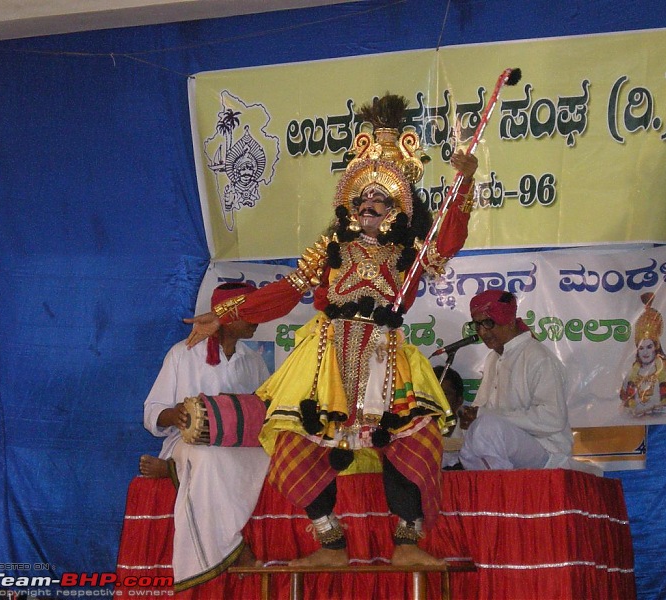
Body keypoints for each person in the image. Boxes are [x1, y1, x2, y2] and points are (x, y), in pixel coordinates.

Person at [184, 93, 478, 567]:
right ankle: (329, 542)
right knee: (291, 437)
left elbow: (449, 241)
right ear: (351, 203)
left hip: (385, 357)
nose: (369, 204)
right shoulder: (330, 249)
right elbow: (287, 289)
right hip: (327, 359)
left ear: (397, 209)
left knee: (412, 437)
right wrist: (225, 313)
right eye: (363, 197)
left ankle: (407, 542)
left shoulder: (410, 253)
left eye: (381, 199)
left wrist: (464, 181)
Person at [142, 282, 271, 592]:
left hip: (236, 446)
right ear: (230, 314)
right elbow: (151, 412)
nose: (257, 320)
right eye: (249, 313)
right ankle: (229, 548)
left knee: (268, 456)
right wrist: (175, 415)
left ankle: (174, 472)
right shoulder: (182, 354)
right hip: (186, 442)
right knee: (209, 457)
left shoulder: (252, 360)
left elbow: (265, 410)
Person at [459, 290, 600, 475]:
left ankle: (506, 494)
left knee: (486, 429)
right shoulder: (493, 359)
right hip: (510, 445)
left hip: (546, 451)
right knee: (466, 447)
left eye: (488, 323)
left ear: (509, 321)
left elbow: (552, 418)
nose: (482, 332)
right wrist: (469, 417)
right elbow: (481, 407)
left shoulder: (538, 357)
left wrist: (484, 415)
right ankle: (492, 498)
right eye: (477, 325)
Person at [620, 292, 666, 417]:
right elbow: (622, 408)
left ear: (656, 347)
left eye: (649, 347)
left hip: (663, 426)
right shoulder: (631, 375)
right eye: (641, 348)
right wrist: (631, 414)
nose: (645, 352)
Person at [433, 365, 466, 470]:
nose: (438, 400)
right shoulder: (415, 434)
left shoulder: (471, 433)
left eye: (445, 394)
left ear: (459, 401)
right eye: (432, 394)